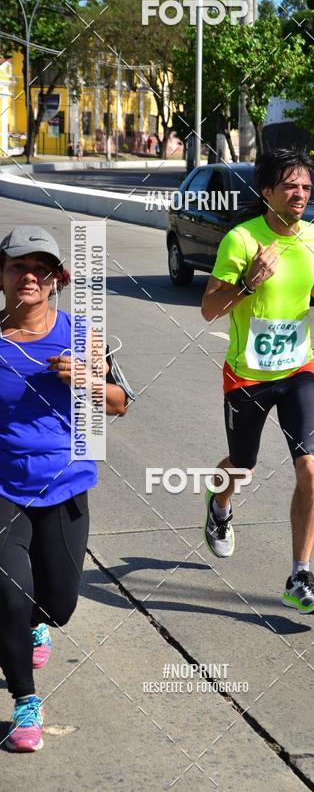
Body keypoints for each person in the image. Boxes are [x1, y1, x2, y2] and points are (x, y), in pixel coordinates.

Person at [0, 225, 134, 752]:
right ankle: (25, 703)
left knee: (56, 606)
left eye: (40, 268)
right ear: (2, 275)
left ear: (58, 279)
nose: (28, 276)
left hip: (65, 485)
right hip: (4, 487)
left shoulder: (85, 336)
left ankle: (39, 624)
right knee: (8, 595)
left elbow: (122, 403)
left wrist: (89, 382)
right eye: (16, 266)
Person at [201, 149, 314, 614]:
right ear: (267, 193)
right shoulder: (241, 240)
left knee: (311, 468)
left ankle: (300, 575)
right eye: (290, 187)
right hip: (246, 377)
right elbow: (209, 310)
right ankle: (219, 507)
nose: (300, 194)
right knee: (243, 466)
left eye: (305, 186)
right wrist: (247, 284)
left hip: (299, 370)